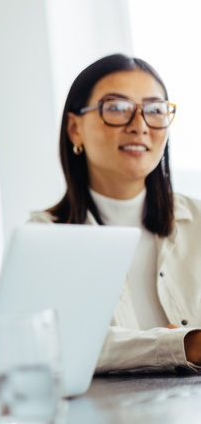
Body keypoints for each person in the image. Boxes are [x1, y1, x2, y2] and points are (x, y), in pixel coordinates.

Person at [30, 53, 201, 374]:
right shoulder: (43, 237)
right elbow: (53, 345)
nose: (139, 126)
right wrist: (184, 344)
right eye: (117, 108)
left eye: (154, 110)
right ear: (74, 128)